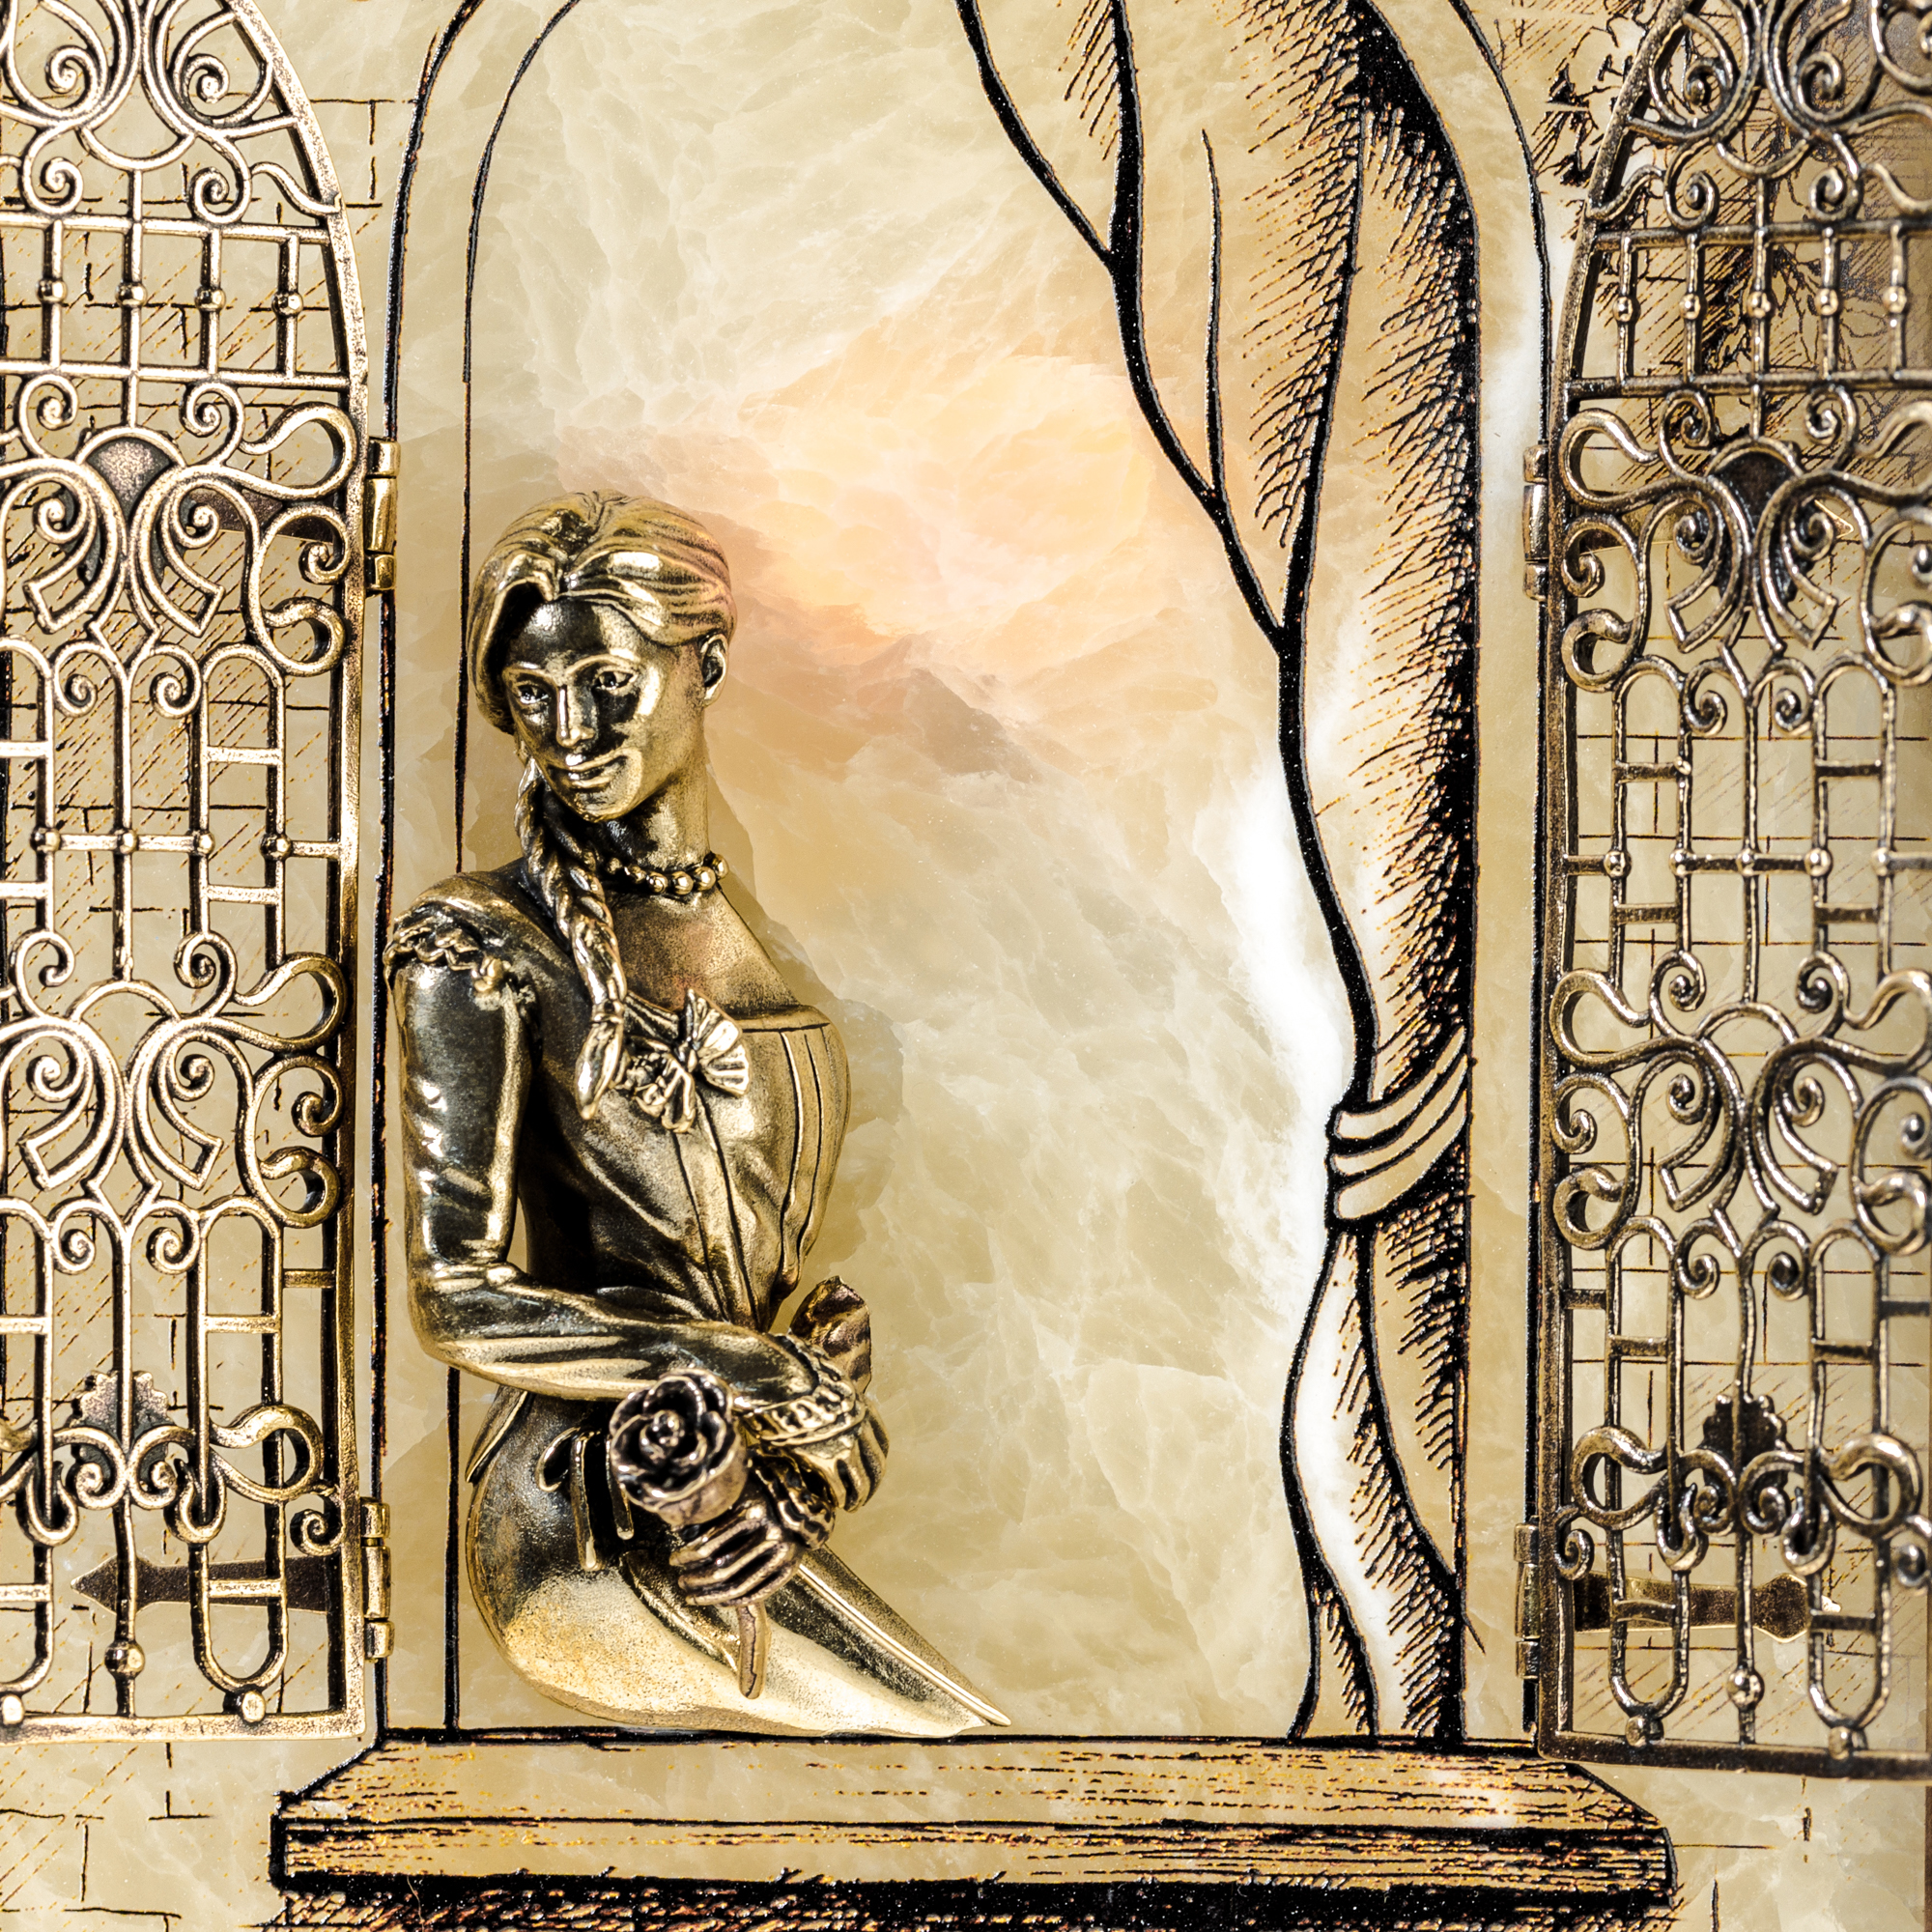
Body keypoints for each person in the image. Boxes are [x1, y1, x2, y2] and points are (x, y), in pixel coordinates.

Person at [385, 492, 1003, 1734]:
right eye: (533, 692)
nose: (568, 730)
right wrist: (743, 1368)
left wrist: (802, 1460)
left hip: (737, 1512)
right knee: (968, 1757)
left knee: (971, 1768)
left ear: (704, 666)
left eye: (607, 683)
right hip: (581, 1515)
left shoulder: (749, 930)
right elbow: (454, 1295)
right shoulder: (477, 940)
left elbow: (758, 1279)